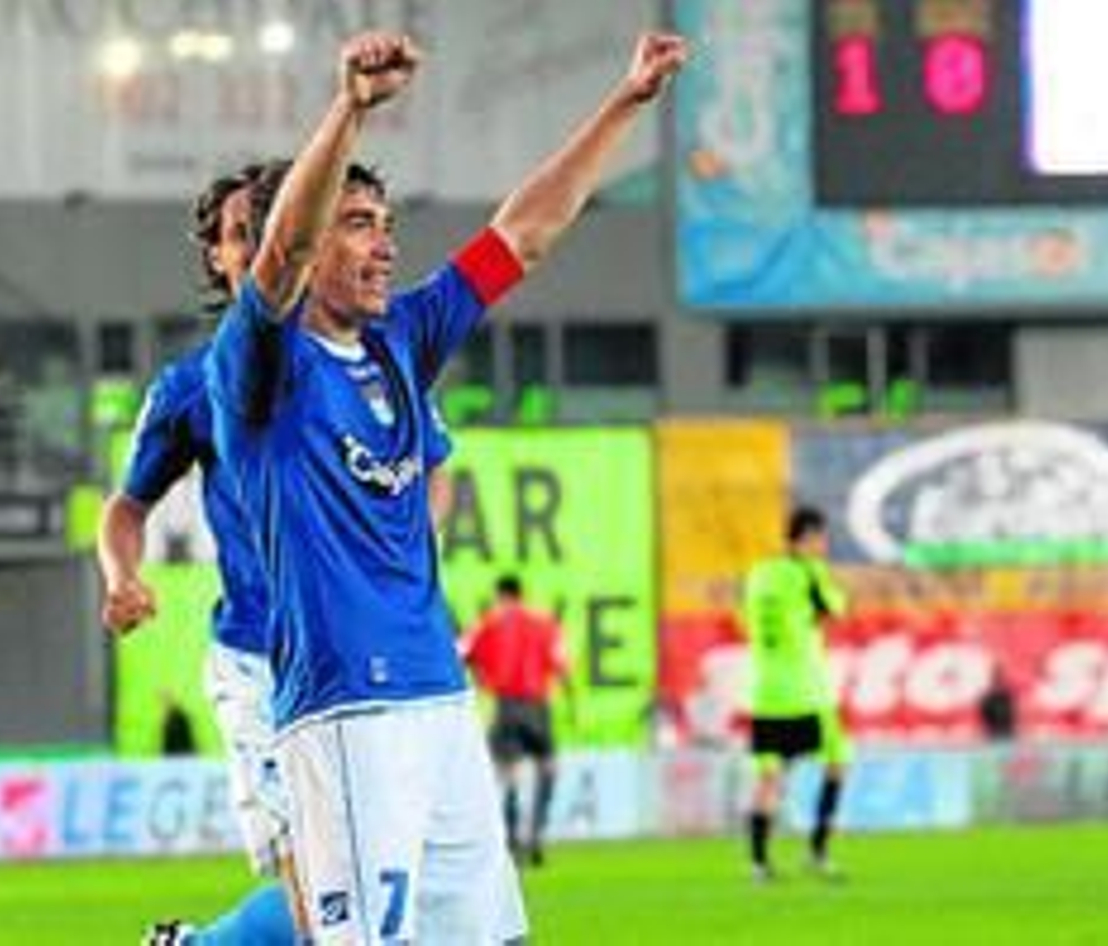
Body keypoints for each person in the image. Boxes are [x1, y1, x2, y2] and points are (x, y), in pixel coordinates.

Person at [207, 29, 688, 943]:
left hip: (439, 697)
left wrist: (624, 103)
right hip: (347, 708)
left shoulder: (400, 340)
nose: (385, 249)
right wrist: (349, 108)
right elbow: (276, 258)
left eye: (387, 227)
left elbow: (523, 235)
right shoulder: (259, 364)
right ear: (305, 248)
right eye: (359, 226)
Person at [98, 160, 457, 945]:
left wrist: (407, 551)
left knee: (390, 896)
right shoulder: (196, 385)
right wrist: (124, 576)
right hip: (262, 667)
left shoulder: (361, 355)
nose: (258, 241)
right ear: (218, 259)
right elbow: (127, 506)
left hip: (361, 664)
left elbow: (432, 468)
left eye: (270, 224)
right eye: (238, 234)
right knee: (319, 905)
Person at [740, 505, 853, 882]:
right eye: (821, 539)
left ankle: (758, 864)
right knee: (837, 763)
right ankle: (818, 853)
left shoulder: (758, 574)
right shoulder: (808, 573)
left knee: (768, 777)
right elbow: (836, 609)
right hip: (806, 692)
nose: (824, 547)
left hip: (764, 692)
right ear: (807, 538)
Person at [462, 574, 571, 867]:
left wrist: (483, 680)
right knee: (548, 768)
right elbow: (562, 664)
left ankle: (511, 837)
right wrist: (569, 699)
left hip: (506, 704)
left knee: (507, 772)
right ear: (521, 594)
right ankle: (536, 834)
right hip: (538, 705)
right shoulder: (546, 623)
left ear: (500, 595)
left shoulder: (489, 622)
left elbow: (463, 654)